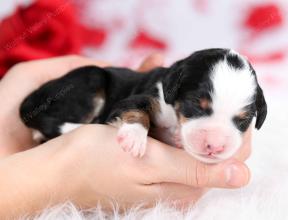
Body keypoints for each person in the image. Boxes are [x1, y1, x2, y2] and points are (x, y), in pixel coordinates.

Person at [0, 54, 251, 219]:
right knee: (92, 83)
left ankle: (50, 132)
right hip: (90, 90)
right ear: (177, 85)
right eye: (198, 107)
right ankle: (50, 127)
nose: (216, 141)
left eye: (239, 120)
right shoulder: (160, 94)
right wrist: (136, 126)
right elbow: (136, 105)